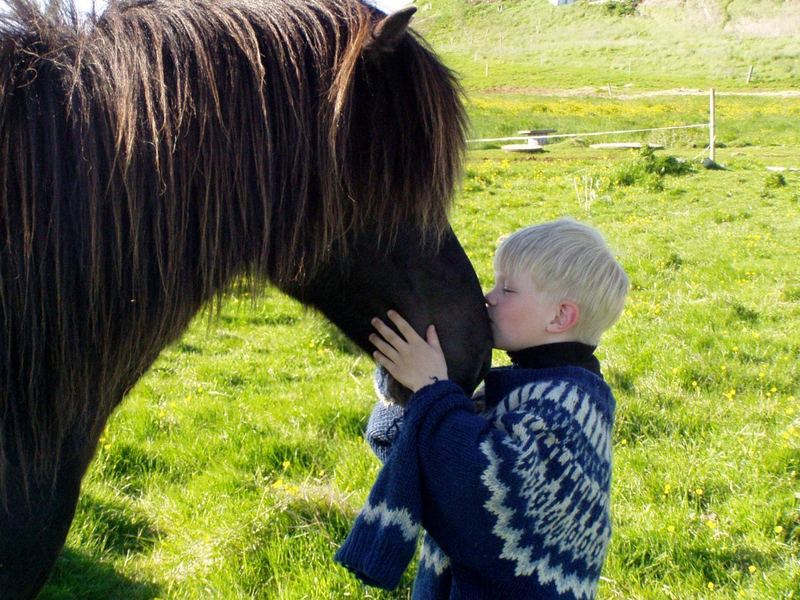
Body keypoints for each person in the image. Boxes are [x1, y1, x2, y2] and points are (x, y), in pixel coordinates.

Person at [335, 218, 629, 599]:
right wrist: (400, 394)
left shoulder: (572, 408)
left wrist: (431, 388)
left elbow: (481, 495)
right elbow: (416, 463)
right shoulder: (518, 391)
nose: (488, 297)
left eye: (507, 288)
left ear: (559, 317)